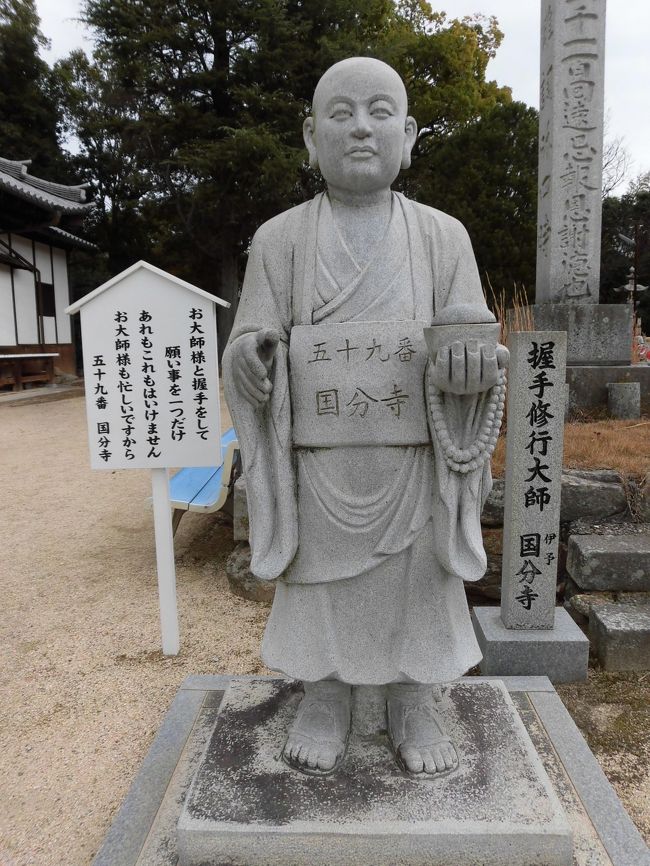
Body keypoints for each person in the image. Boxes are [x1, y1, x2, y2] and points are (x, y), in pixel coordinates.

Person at [223, 57, 507, 778]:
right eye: (340, 113)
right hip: (318, 464)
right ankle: (324, 696)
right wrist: (252, 360)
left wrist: (469, 370)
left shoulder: (445, 237)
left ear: (408, 135)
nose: (359, 127)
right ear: (310, 137)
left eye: (380, 112)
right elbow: (247, 340)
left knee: (416, 580)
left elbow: (469, 335)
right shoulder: (280, 239)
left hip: (412, 463)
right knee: (318, 580)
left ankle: (414, 698)